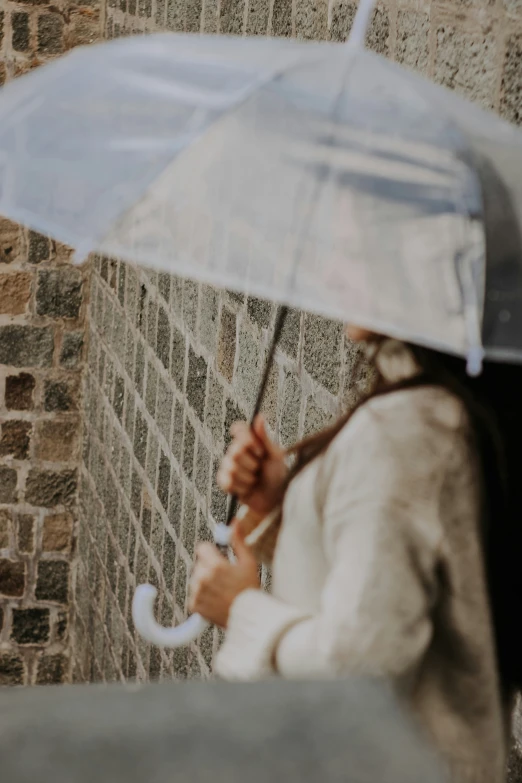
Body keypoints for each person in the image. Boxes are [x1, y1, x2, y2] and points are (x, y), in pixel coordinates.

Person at [189, 326, 522, 783]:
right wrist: (277, 501)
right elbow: (397, 576)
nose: (333, 267)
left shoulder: (401, 431)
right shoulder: (449, 407)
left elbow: (359, 664)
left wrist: (241, 608)